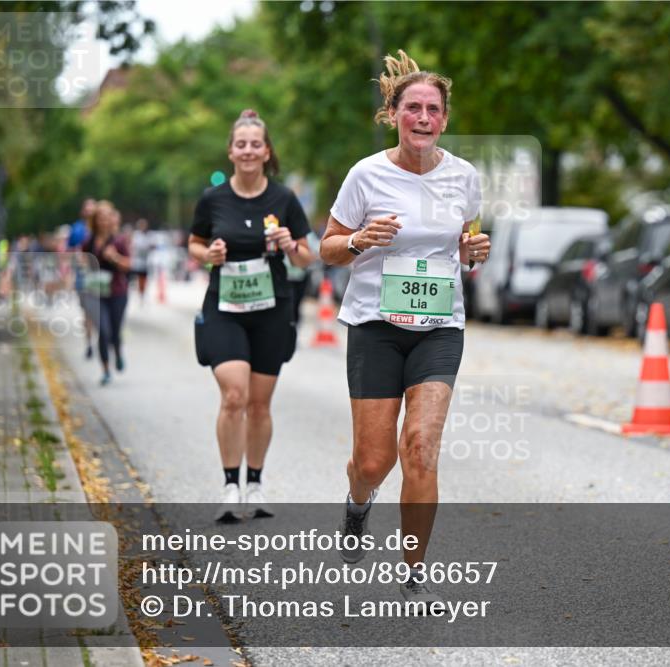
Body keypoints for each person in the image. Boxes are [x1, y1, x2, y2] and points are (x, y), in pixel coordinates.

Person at [320, 50, 491, 606]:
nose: (423, 117)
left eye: (433, 109)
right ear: (393, 113)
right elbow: (329, 247)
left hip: (440, 326)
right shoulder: (365, 175)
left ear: (444, 118)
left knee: (420, 448)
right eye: (412, 107)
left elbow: (467, 240)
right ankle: (357, 499)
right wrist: (358, 241)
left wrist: (473, 249)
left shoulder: (463, 176)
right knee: (375, 460)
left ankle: (414, 575)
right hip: (376, 325)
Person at [188, 109, 315, 522]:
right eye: (240, 144)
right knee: (234, 395)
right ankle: (229, 485)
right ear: (230, 152)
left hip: (272, 308)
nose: (247, 150)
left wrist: (289, 243)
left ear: (266, 152)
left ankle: (255, 483)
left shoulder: (284, 199)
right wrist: (208, 255)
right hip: (224, 307)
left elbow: (306, 256)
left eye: (254, 144)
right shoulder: (213, 198)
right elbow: (194, 243)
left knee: (260, 405)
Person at [83, 201, 132, 386]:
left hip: (118, 292)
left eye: (106, 218)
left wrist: (115, 257)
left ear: (111, 220)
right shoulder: (89, 241)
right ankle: (105, 369)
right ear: (95, 221)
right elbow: (83, 260)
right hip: (97, 292)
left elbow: (129, 265)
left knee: (115, 331)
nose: (103, 222)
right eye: (100, 218)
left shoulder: (119, 240)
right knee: (103, 331)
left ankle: (117, 351)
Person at [69, 199, 96, 358]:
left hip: (100, 275)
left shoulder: (102, 227)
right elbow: (70, 248)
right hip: (83, 274)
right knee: (86, 310)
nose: (90, 213)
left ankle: (103, 339)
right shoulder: (77, 229)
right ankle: (89, 342)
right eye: (87, 210)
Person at [130, 218, 152, 302]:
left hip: (145, 262)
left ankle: (142, 293)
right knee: (137, 278)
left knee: (144, 278)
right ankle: (138, 293)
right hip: (137, 261)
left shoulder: (148, 235)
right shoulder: (136, 235)